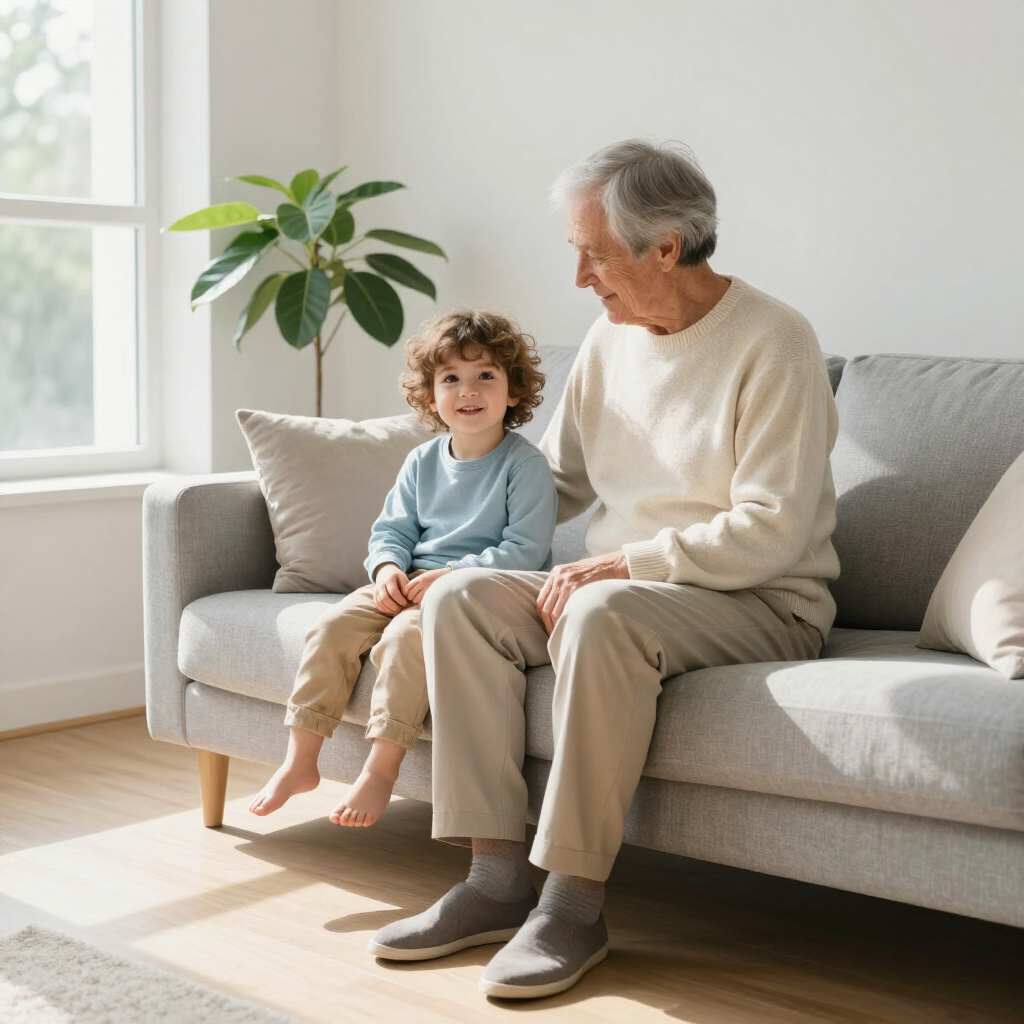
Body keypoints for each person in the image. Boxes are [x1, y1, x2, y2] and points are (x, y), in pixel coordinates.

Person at [370, 139, 841, 999]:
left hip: (757, 600)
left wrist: (628, 562)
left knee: (599, 612)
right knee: (465, 601)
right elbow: (556, 479)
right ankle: (494, 880)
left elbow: (773, 529)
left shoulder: (775, 341)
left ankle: (573, 905)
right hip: (626, 591)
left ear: (665, 247)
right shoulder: (610, 336)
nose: (582, 277)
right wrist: (444, 526)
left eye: (595, 253)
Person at [249, 309, 557, 828]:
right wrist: (387, 568)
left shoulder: (525, 466)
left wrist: (450, 575)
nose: (469, 390)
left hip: (474, 593)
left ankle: (381, 769)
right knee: (331, 627)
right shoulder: (422, 461)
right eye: (451, 379)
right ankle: (300, 761)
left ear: (514, 392)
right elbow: (391, 530)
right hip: (409, 582)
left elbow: (523, 551)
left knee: (403, 643)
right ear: (431, 396)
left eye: (486, 376)